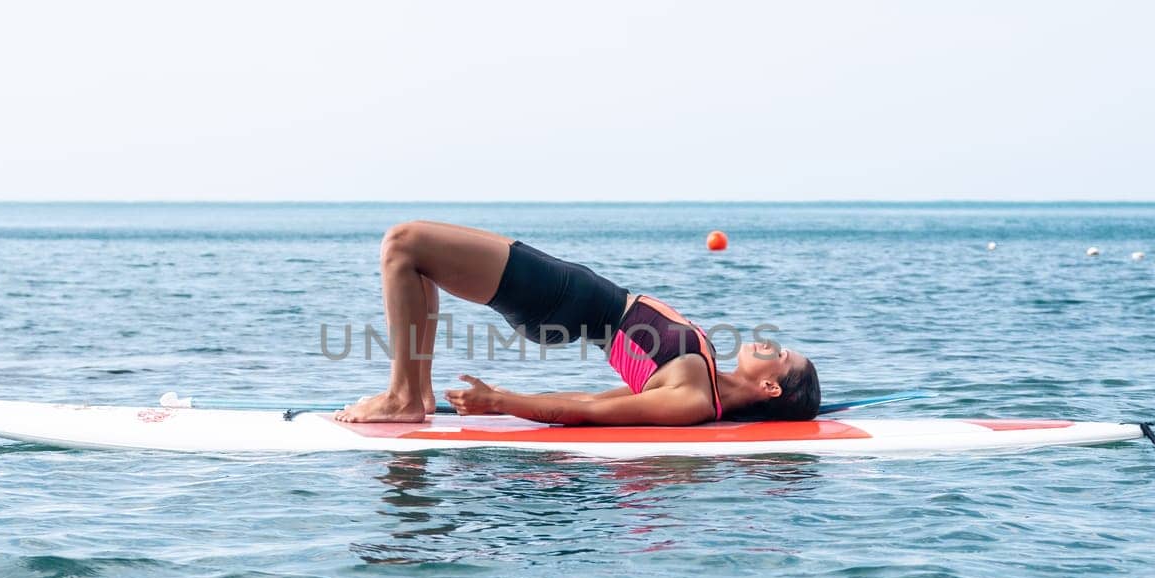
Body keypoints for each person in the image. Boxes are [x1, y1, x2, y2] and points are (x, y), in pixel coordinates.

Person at [333, 221, 820, 425]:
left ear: (772, 388)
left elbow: (588, 410)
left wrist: (501, 402)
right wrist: (503, 401)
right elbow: (596, 399)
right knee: (414, 257)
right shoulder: (708, 380)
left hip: (563, 301)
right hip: (571, 294)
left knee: (403, 243)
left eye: (778, 356)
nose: (769, 345)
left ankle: (402, 398)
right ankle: (414, 397)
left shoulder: (694, 400)